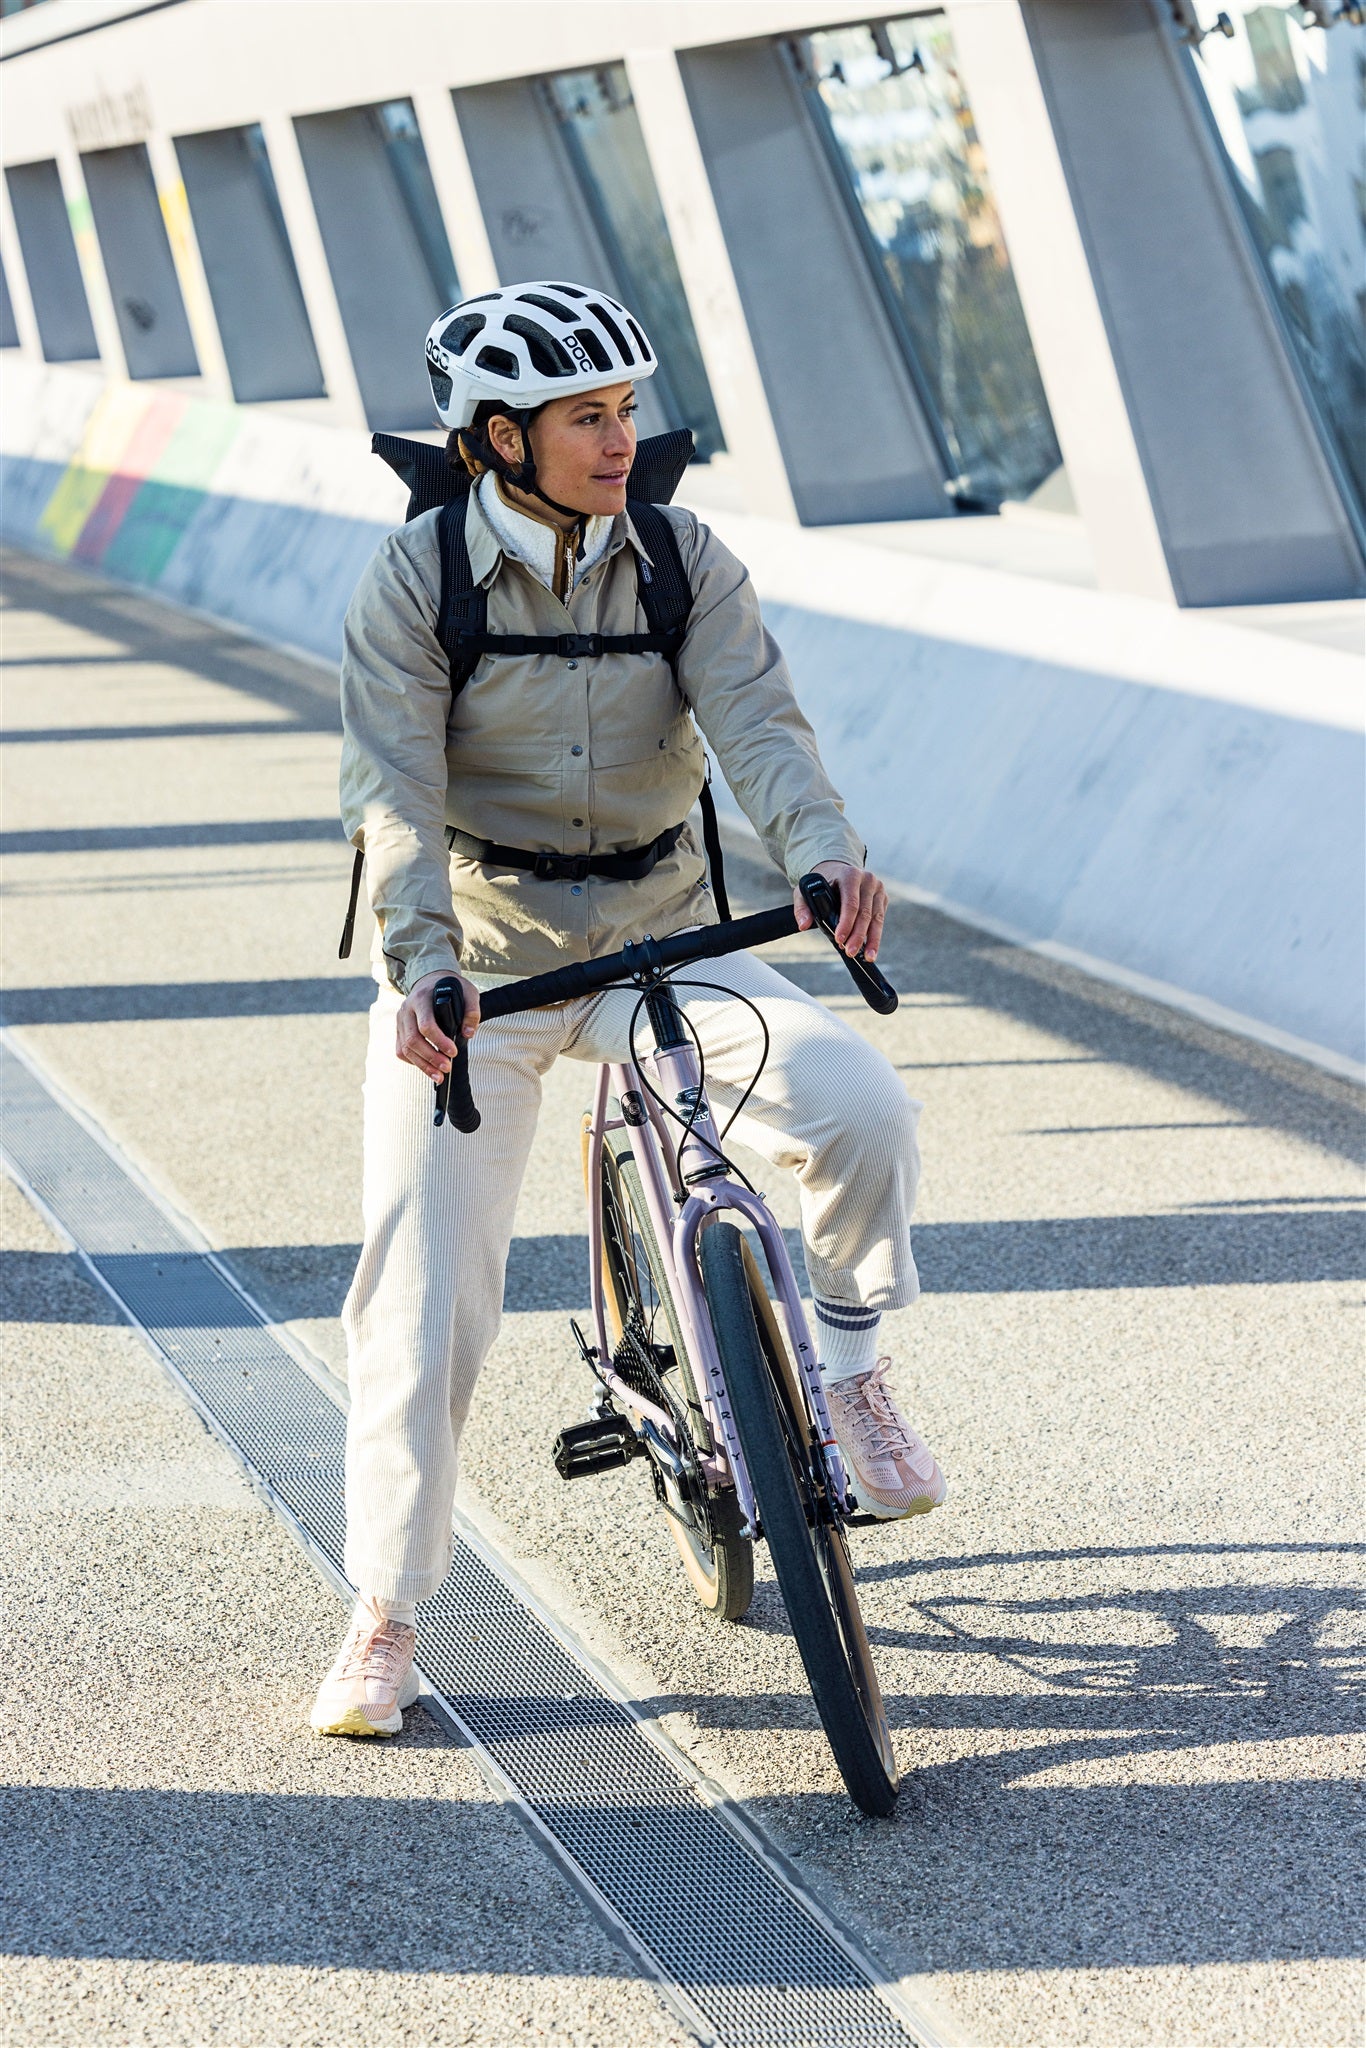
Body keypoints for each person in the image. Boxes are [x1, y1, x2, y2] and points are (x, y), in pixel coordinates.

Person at [311, 283, 946, 1739]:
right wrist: (419, 965)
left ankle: (846, 1375)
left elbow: (761, 725)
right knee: (420, 1302)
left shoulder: (680, 560)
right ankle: (387, 1616)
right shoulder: (416, 585)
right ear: (497, 439)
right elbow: (391, 797)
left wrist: (822, 853)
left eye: (624, 410)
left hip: (667, 932)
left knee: (860, 1105)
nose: (620, 438)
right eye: (585, 417)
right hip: (485, 962)